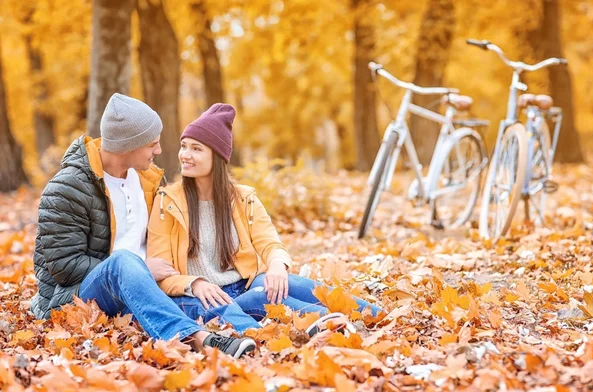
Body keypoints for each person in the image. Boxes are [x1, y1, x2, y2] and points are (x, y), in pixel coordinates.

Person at [31, 94, 256, 358]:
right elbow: (64, 267)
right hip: (80, 295)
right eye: (152, 144)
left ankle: (255, 334)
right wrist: (143, 268)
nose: (159, 151)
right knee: (125, 262)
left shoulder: (148, 181)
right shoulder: (67, 188)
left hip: (143, 290)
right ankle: (198, 338)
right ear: (128, 145)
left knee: (202, 297)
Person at [148, 103, 382, 336]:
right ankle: (329, 323)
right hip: (205, 297)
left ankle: (376, 314)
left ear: (217, 156)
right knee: (264, 296)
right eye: (184, 146)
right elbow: (163, 276)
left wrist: (277, 266)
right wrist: (195, 283)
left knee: (288, 283)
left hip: (244, 284)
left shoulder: (243, 199)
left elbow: (270, 243)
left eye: (196, 149)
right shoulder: (167, 202)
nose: (185, 155)